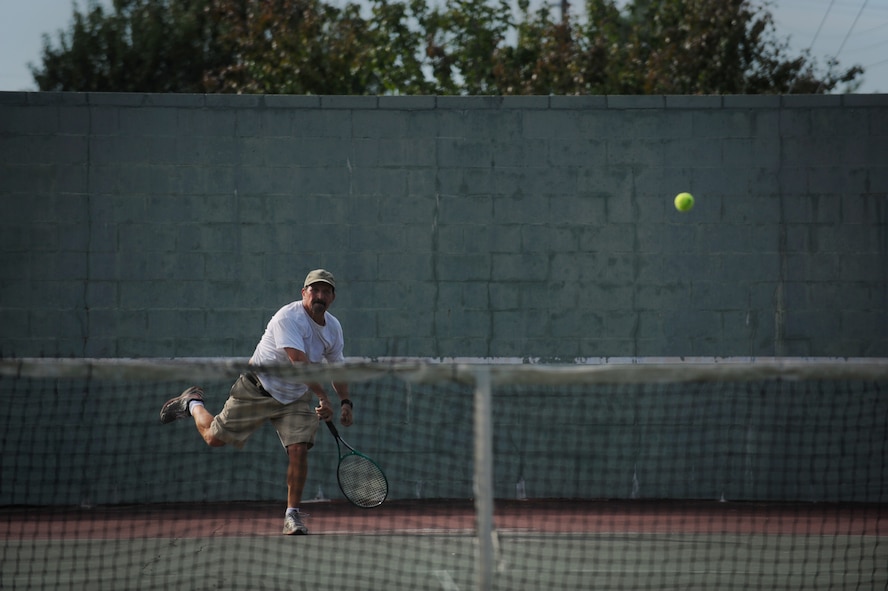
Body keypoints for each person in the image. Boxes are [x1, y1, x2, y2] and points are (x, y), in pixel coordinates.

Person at [159, 269, 352, 535]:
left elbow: (337, 369)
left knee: (299, 449)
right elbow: (298, 362)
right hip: (258, 388)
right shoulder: (289, 317)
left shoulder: (333, 327)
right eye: (314, 290)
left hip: (295, 398)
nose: (319, 295)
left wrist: (345, 402)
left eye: (326, 291)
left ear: (332, 297)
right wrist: (322, 396)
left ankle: (291, 515)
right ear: (303, 293)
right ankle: (192, 403)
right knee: (214, 438)